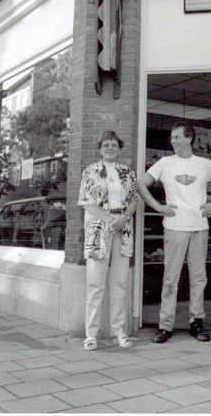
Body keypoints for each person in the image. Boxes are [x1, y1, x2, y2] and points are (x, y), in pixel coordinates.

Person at [138, 123, 211, 343]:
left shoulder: (204, 164)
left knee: (198, 277)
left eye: (177, 137)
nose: (173, 141)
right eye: (172, 137)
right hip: (174, 227)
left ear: (190, 138)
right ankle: (165, 326)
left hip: (199, 227)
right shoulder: (164, 163)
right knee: (170, 278)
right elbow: (141, 185)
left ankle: (196, 322)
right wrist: (158, 207)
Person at [78, 131, 138, 351]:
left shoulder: (127, 172)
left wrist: (124, 218)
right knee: (95, 285)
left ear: (119, 148)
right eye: (106, 145)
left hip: (123, 231)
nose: (110, 148)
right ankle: (91, 335)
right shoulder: (90, 171)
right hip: (98, 231)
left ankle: (119, 332)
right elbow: (87, 203)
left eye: (114, 144)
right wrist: (112, 221)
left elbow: (133, 200)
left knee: (119, 284)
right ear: (100, 148)